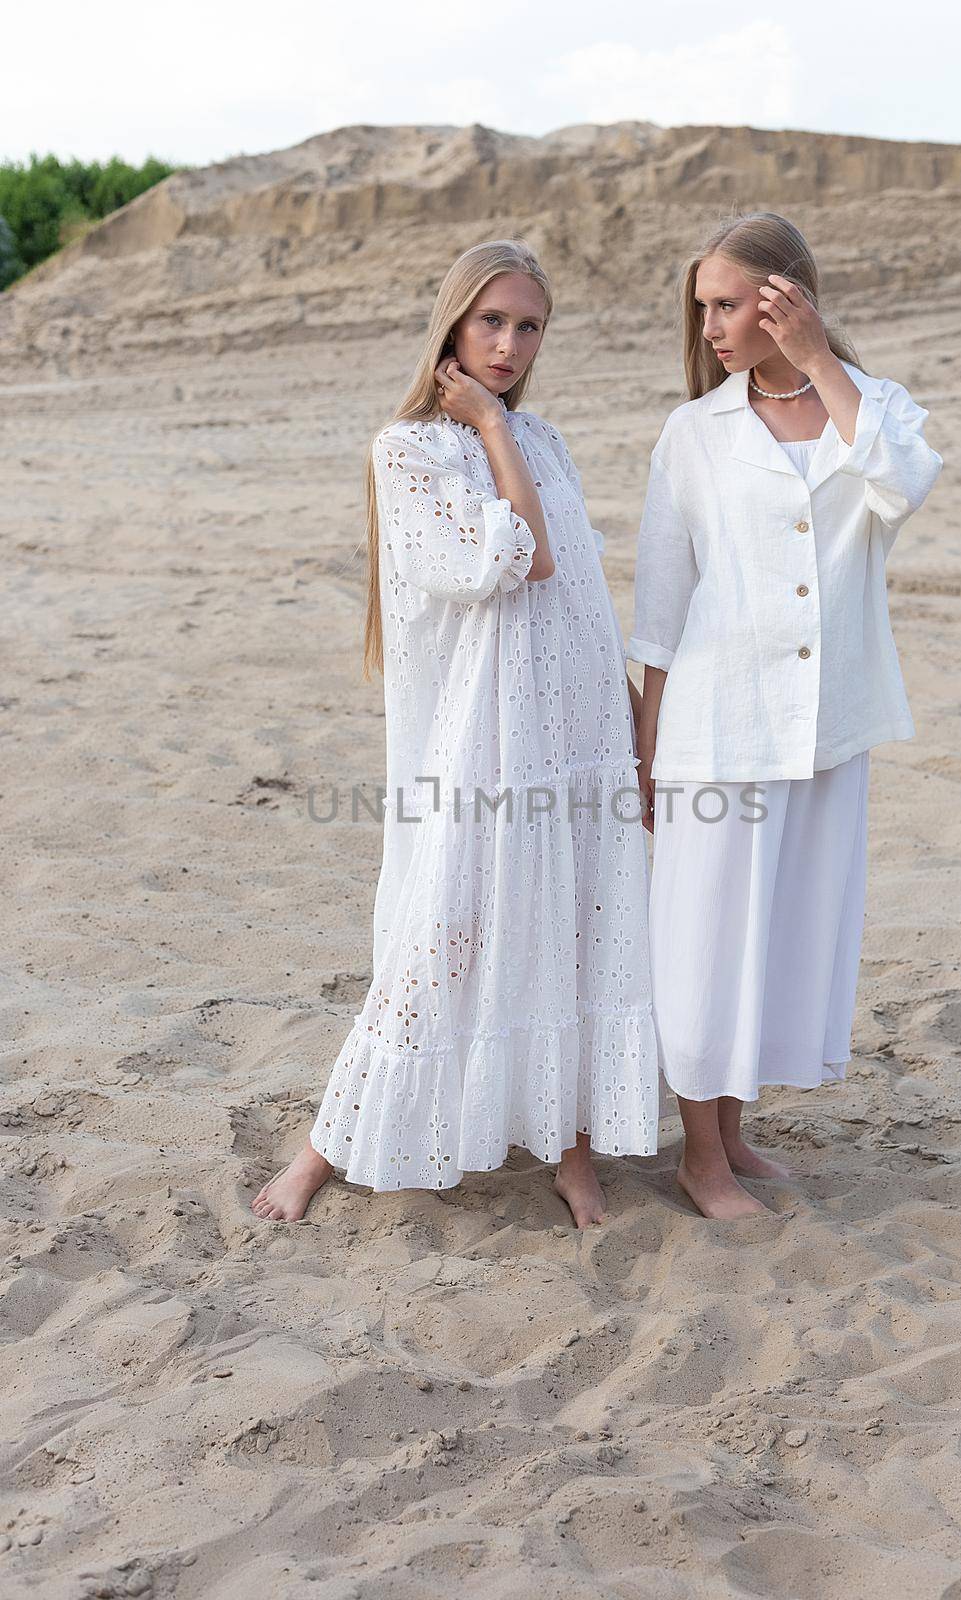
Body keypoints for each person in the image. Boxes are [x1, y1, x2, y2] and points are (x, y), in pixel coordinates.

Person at [252, 238, 660, 1229]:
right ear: (451, 323)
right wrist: (484, 427)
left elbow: (579, 595)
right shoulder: (408, 451)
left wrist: (628, 729)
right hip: (485, 732)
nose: (510, 343)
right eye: (492, 321)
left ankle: (571, 1155)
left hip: (574, 721)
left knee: (572, 924)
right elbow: (511, 564)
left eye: (527, 325)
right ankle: (323, 1147)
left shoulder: (547, 440)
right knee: (446, 931)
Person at [629, 211, 943, 1220]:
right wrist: (645, 745)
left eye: (727, 304)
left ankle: (733, 1135)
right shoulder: (693, 433)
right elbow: (659, 607)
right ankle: (699, 1158)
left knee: (778, 936)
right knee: (706, 940)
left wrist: (819, 360)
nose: (711, 326)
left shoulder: (876, 409)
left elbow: (898, 486)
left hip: (826, 725)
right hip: (717, 727)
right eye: (704, 308)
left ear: (784, 299)